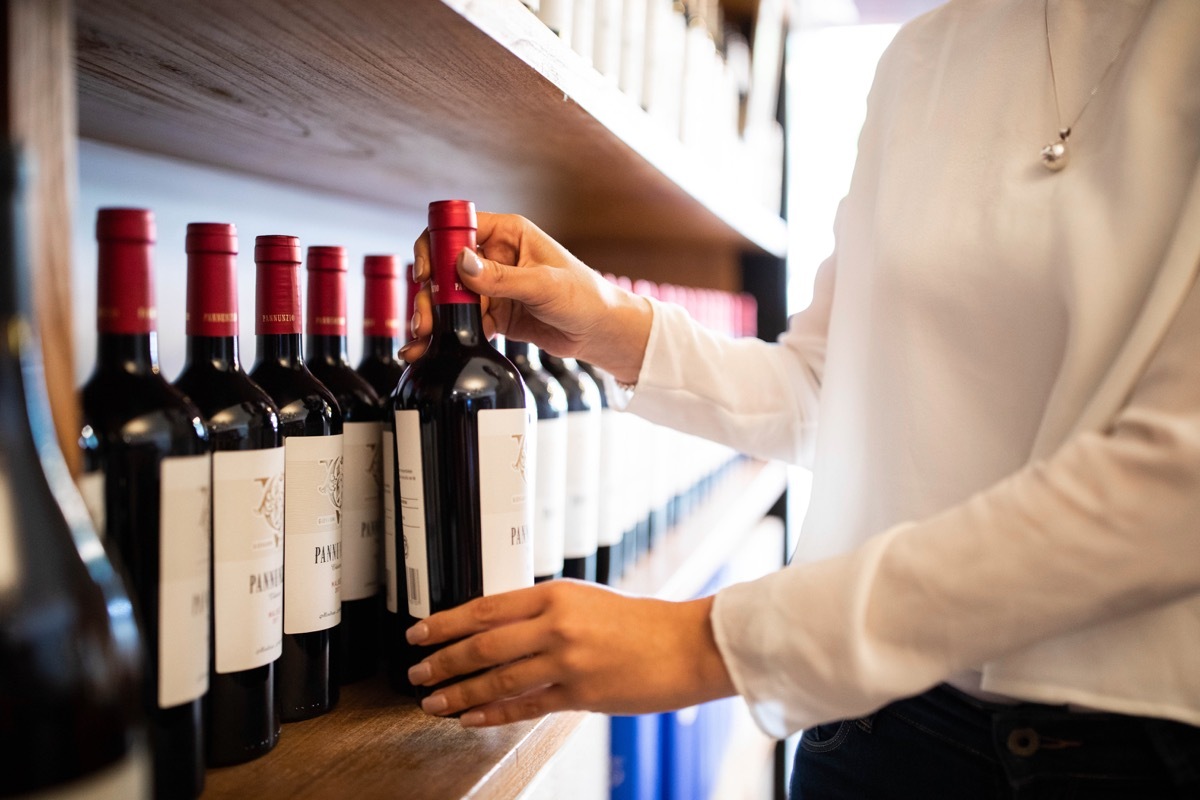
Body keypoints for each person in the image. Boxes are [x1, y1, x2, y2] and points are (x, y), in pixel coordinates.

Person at [400, 0, 1200, 796]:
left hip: (1130, 755)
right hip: (874, 729)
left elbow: (1174, 487)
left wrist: (707, 646)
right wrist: (610, 325)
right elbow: (833, 388)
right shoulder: (924, 54)